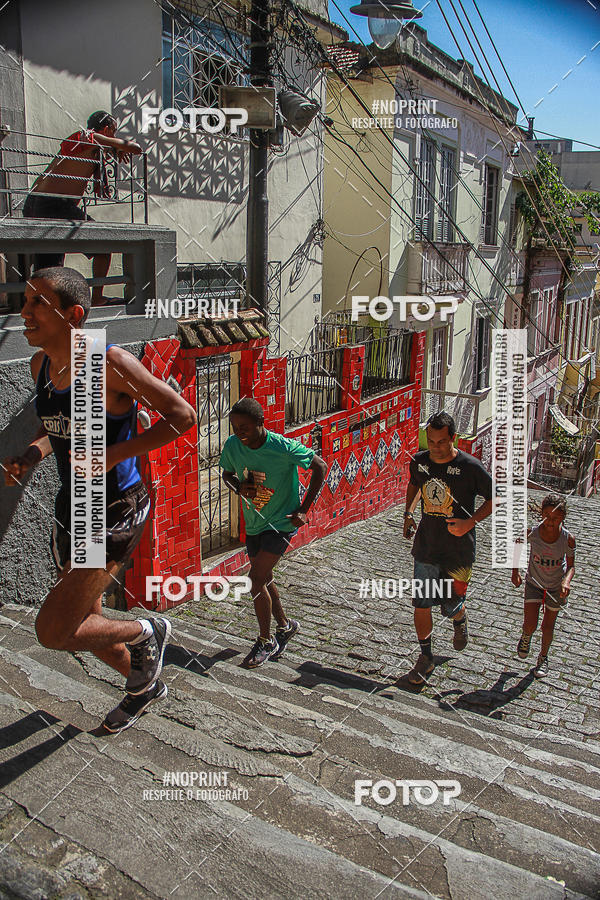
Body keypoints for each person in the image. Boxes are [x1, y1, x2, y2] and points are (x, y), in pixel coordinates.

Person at [3, 267, 197, 733]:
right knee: (84, 626)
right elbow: (58, 428)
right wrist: (33, 453)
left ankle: (149, 630)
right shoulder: (41, 367)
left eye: (37, 304)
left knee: (54, 630)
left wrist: (114, 453)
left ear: (73, 315)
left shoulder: (107, 362)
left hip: (113, 510)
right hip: (74, 506)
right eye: (24, 301)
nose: (24, 312)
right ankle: (144, 685)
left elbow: (182, 415)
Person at [220, 398, 327, 668]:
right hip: (254, 521)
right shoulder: (233, 446)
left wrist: (304, 509)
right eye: (235, 427)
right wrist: (238, 487)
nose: (239, 432)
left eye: (245, 426)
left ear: (260, 423)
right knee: (265, 578)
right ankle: (285, 626)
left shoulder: (283, 447)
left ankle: (266, 641)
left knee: (255, 578)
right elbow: (227, 474)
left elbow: (320, 467)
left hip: (281, 522)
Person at [403, 412, 493, 684]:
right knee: (421, 603)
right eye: (431, 441)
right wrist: (408, 513)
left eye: (441, 442)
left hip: (458, 552)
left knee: (450, 605)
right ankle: (425, 657)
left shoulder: (471, 467)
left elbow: (495, 497)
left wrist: (470, 522)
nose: (435, 448)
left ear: (453, 438)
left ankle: (459, 618)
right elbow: (414, 484)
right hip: (427, 547)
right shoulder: (419, 462)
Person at [22, 111, 142, 305]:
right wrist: (117, 146)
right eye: (114, 131)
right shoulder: (87, 137)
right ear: (107, 129)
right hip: (53, 204)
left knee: (50, 263)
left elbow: (98, 184)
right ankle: (95, 298)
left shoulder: (89, 147)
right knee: (101, 247)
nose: (114, 135)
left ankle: (41, 304)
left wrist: (112, 150)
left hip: (39, 203)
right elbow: (135, 148)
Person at [511, 494, 575, 678]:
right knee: (530, 623)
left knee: (548, 626)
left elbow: (571, 566)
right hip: (534, 582)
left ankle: (543, 657)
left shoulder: (568, 539)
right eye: (546, 516)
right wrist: (515, 572)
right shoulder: (533, 532)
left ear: (563, 517)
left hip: (556, 586)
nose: (550, 522)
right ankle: (526, 636)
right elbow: (517, 545)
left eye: (555, 518)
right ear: (541, 514)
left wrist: (566, 581)